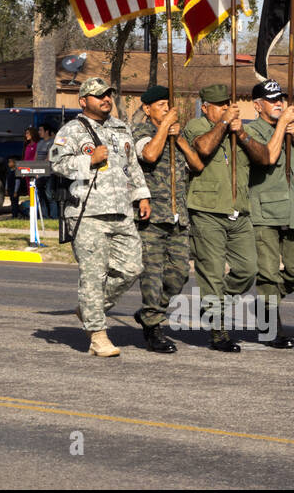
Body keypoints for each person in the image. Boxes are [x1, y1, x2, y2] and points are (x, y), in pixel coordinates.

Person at [49, 78, 149, 357]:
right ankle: (98, 336)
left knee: (132, 268)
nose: (106, 99)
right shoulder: (72, 131)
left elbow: (133, 166)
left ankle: (90, 309)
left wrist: (142, 195)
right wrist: (88, 161)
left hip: (121, 210)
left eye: (108, 94)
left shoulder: (120, 127)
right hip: (87, 213)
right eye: (98, 96)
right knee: (93, 277)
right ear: (83, 101)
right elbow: (56, 163)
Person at [242, 79, 294, 347]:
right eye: (272, 99)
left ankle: (266, 304)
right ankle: (270, 328)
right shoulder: (253, 131)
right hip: (264, 211)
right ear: (257, 105)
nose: (279, 103)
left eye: (281, 99)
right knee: (268, 273)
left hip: (293, 210)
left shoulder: (291, 130)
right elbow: (269, 157)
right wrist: (281, 130)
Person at [181, 83, 256, 353]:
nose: (226, 108)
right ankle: (218, 330)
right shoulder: (197, 127)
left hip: (239, 209)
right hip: (207, 209)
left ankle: (214, 304)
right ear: (205, 108)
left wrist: (242, 132)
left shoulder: (237, 130)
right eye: (220, 105)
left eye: (228, 104)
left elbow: (263, 158)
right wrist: (224, 122)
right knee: (211, 273)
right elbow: (202, 149)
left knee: (248, 270)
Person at [130, 85, 195, 354]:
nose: (167, 109)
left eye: (169, 105)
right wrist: (163, 128)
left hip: (178, 216)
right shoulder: (142, 134)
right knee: (152, 278)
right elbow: (150, 155)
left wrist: (178, 138)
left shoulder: (175, 135)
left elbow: (196, 165)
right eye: (160, 106)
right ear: (147, 110)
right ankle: (153, 327)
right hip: (152, 218)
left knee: (179, 274)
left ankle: (150, 313)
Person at [35, 121, 59, 219]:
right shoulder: (40, 143)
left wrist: (40, 168)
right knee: (41, 195)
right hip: (40, 173)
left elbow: (49, 158)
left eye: (41, 130)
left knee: (49, 195)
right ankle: (44, 216)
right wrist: (35, 169)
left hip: (49, 173)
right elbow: (36, 157)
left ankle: (54, 216)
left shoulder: (52, 143)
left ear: (47, 131)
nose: (39, 132)